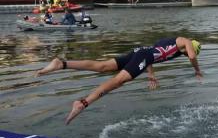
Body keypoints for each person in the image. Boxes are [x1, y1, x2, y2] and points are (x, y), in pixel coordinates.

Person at [36, 37, 203, 125]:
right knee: (117, 81)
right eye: (187, 52)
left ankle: (62, 64)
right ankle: (83, 103)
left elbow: (150, 53)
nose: (186, 53)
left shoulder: (169, 43)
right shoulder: (185, 41)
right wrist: (197, 70)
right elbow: (192, 56)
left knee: (102, 66)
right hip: (143, 56)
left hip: (139, 53)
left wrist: (150, 74)